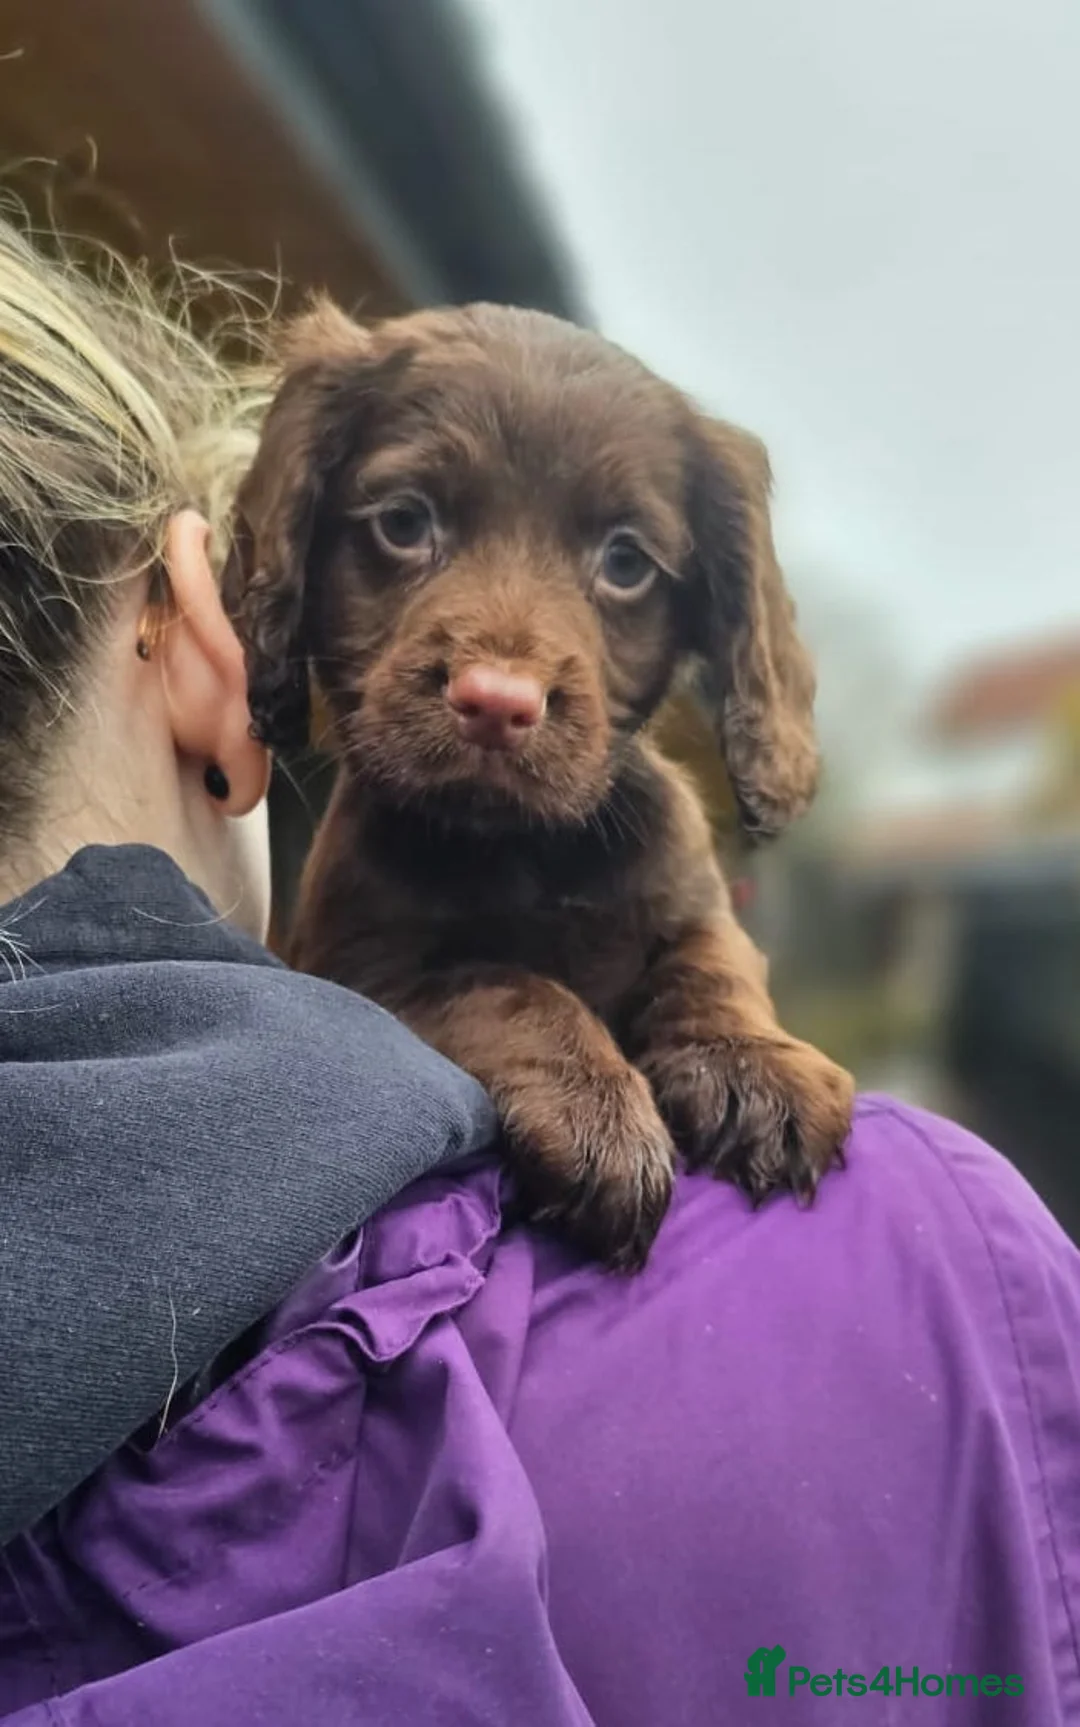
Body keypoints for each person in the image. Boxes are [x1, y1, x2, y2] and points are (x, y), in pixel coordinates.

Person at [0, 211, 1077, 1727]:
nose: (504, 666)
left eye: (622, 561)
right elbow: (366, 995)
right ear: (243, 599)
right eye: (406, 526)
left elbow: (697, 939)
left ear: (706, 622)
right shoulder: (952, 1247)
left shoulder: (663, 853)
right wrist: (535, 1027)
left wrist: (710, 1006)